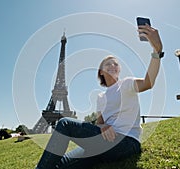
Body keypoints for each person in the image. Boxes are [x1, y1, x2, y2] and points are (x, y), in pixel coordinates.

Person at [35, 23, 163, 169]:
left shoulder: (126, 84)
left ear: (119, 69)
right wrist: (103, 126)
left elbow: (148, 82)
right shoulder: (101, 97)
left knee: (64, 123)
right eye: (108, 64)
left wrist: (156, 51)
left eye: (115, 64)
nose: (113, 65)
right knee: (60, 164)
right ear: (101, 72)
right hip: (103, 143)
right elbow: (99, 123)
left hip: (127, 143)